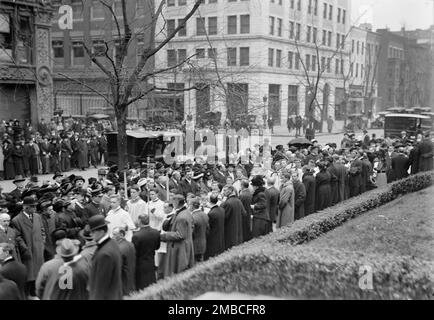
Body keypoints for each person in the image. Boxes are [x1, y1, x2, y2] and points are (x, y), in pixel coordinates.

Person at [11, 196, 45, 298]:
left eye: (35, 206)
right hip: (28, 251)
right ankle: (29, 294)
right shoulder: (16, 220)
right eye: (32, 206)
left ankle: (36, 292)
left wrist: (42, 242)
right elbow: (17, 236)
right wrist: (25, 248)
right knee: (29, 275)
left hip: (39, 249)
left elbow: (42, 230)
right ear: (25, 207)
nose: (35, 208)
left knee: (38, 272)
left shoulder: (37, 216)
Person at [88, 215, 122, 300]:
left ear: (102, 231)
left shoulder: (105, 254)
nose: (90, 234)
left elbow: (101, 286)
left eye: (93, 231)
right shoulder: (112, 243)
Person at [160, 195, 194, 278]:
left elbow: (180, 235)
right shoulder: (186, 212)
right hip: (185, 245)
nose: (172, 204)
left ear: (177, 202)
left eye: (173, 201)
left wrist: (164, 235)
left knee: (179, 273)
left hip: (180, 248)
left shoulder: (182, 216)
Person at [132, 214, 160, 289]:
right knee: (151, 283)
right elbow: (157, 247)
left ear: (140, 221)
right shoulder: (156, 232)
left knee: (141, 285)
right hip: (151, 261)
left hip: (140, 264)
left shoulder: (136, 236)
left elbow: (135, 253)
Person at [112, 227, 136, 296]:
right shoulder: (131, 244)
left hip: (123, 279)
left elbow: (118, 267)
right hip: (131, 276)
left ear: (121, 235)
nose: (112, 237)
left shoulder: (118, 248)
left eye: (114, 234)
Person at [221, 185, 245, 250]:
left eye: (225, 190)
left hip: (230, 230)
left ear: (230, 191)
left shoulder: (228, 203)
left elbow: (224, 217)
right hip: (238, 229)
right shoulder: (238, 201)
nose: (223, 192)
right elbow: (244, 213)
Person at [204, 195, 225, 260]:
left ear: (209, 201)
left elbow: (208, 227)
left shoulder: (211, 213)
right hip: (220, 234)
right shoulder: (222, 209)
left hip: (213, 236)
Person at [190, 197, 209, 263]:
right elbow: (207, 230)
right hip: (203, 243)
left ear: (192, 206)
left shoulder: (193, 217)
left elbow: (191, 232)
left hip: (195, 245)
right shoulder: (205, 214)